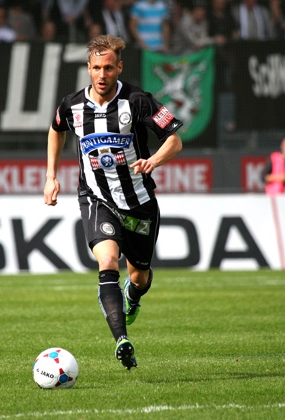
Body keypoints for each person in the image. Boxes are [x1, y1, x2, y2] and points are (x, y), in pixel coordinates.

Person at [44, 34, 183, 370]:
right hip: (96, 198)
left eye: (108, 67)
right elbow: (55, 129)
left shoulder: (138, 101)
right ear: (88, 69)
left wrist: (154, 161)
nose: (102, 74)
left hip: (138, 204)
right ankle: (122, 340)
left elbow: (175, 140)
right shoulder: (73, 105)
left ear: (119, 67)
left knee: (139, 277)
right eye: (96, 67)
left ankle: (131, 298)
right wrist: (51, 175)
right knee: (107, 260)